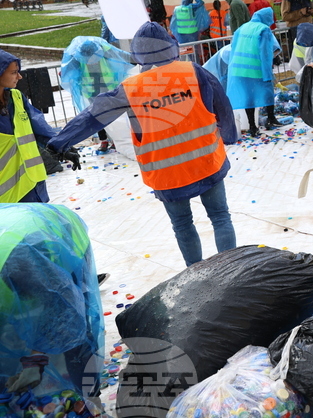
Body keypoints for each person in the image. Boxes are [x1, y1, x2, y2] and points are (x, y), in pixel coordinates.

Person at [48, 22, 238, 267]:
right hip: (207, 162)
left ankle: (196, 274)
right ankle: (235, 269)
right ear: (172, 46)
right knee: (220, 216)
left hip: (167, 172)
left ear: (137, 54)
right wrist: (229, 135)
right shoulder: (193, 71)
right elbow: (222, 105)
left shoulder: (131, 88)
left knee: (182, 224)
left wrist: (58, 142)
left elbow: (93, 116)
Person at [0, 204, 103, 399]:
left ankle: (89, 398)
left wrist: (34, 360)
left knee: (77, 332)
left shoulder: (18, 264)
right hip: (21, 241)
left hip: (61, 237)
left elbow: (66, 311)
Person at [1, 51, 75, 204]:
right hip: (6, 195)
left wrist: (63, 147)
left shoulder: (16, 97)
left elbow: (40, 128)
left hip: (32, 184)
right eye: (14, 72)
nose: (19, 77)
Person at [60, 37, 133, 154]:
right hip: (92, 90)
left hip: (108, 88)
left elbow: (121, 55)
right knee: (97, 115)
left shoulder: (105, 50)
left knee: (112, 114)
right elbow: (68, 70)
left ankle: (115, 138)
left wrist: (137, 58)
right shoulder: (77, 57)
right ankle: (104, 140)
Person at [228, 7, 284, 135]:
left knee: (249, 96)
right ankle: (271, 119)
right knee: (267, 91)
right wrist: (267, 72)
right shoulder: (263, 29)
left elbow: (233, 45)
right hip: (255, 68)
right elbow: (265, 52)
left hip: (238, 68)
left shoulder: (243, 27)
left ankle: (252, 127)